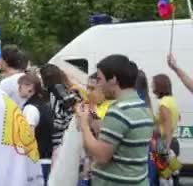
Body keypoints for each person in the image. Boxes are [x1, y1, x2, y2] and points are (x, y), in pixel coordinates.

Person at [76, 54, 154, 186]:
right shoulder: (142, 107)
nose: (99, 85)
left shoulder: (118, 111)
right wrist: (98, 126)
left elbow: (101, 156)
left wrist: (84, 124)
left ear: (113, 80)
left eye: (100, 79)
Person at [19, 73, 53, 185]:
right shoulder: (44, 105)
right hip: (47, 158)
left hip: (36, 163)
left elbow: (28, 137)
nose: (18, 89)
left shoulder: (30, 108)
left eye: (21, 85)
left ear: (30, 87)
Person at [39, 64, 78, 152]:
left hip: (59, 137)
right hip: (68, 135)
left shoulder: (55, 91)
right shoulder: (68, 89)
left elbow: (69, 108)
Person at [151, 74, 181, 186]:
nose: (151, 86)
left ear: (159, 85)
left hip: (164, 144)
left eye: (153, 83)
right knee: (174, 177)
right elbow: (176, 118)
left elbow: (167, 126)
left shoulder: (163, 103)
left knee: (165, 180)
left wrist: (165, 149)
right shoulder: (172, 100)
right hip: (173, 141)